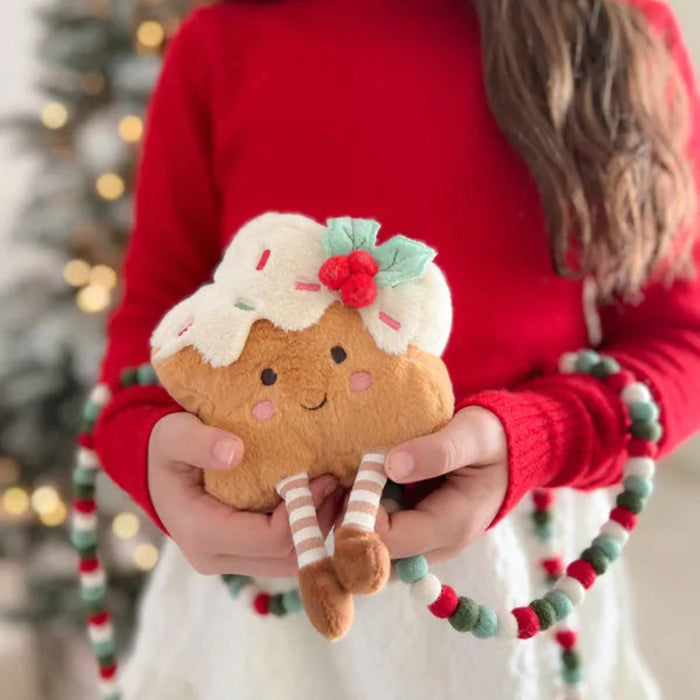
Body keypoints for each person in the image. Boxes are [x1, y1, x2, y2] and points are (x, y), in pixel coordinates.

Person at [93, 0, 700, 698]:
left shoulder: (614, 25)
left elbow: (681, 340)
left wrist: (537, 438)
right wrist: (152, 455)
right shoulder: (223, 43)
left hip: (518, 580)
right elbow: (147, 344)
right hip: (264, 580)